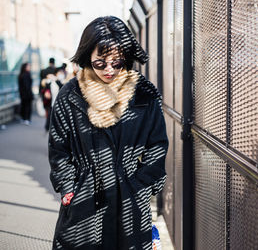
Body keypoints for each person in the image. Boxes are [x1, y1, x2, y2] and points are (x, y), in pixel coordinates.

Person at [48, 16, 168, 249]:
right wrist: (68, 186)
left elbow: (158, 144)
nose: (109, 69)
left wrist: (142, 185)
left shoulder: (144, 94)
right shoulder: (70, 94)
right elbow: (58, 147)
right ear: (87, 57)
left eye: (117, 62)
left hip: (130, 199)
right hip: (84, 198)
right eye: (100, 63)